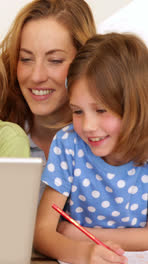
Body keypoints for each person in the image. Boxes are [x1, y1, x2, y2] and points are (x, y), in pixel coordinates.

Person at [33, 33, 148, 264]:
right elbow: (41, 232)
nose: (88, 126)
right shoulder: (68, 144)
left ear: (135, 106)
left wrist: (77, 235)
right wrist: (84, 253)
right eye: (77, 111)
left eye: (101, 110)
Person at [0, 0, 96, 161]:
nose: (37, 76)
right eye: (26, 59)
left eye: (55, 60)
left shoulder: (108, 138)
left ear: (83, 62)